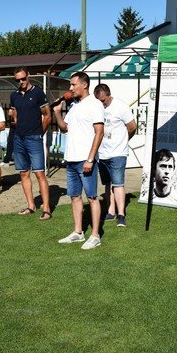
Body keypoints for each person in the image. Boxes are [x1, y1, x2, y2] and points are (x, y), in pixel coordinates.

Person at [53, 72, 105, 249]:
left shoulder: (95, 104)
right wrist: (57, 113)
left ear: (84, 85)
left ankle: (95, 235)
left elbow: (99, 132)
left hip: (85, 160)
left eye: (73, 84)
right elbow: (65, 128)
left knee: (92, 197)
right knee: (74, 196)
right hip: (71, 159)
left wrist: (90, 159)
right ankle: (78, 232)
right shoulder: (74, 106)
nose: (70, 88)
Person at [10, 67, 52, 220]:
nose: (21, 82)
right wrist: (15, 120)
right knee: (23, 173)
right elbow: (14, 114)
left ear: (28, 76)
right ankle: (31, 206)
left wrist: (39, 133)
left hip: (34, 138)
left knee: (39, 173)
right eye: (18, 80)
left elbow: (47, 116)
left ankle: (46, 209)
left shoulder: (38, 93)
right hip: (18, 138)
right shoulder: (14, 95)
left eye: (23, 78)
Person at [94, 84, 137, 228]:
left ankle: (121, 214)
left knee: (118, 184)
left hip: (118, 152)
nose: (102, 103)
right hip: (102, 153)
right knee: (107, 183)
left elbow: (132, 127)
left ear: (109, 95)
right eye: (99, 101)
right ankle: (111, 211)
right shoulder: (97, 108)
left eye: (103, 100)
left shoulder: (121, 106)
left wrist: (124, 140)